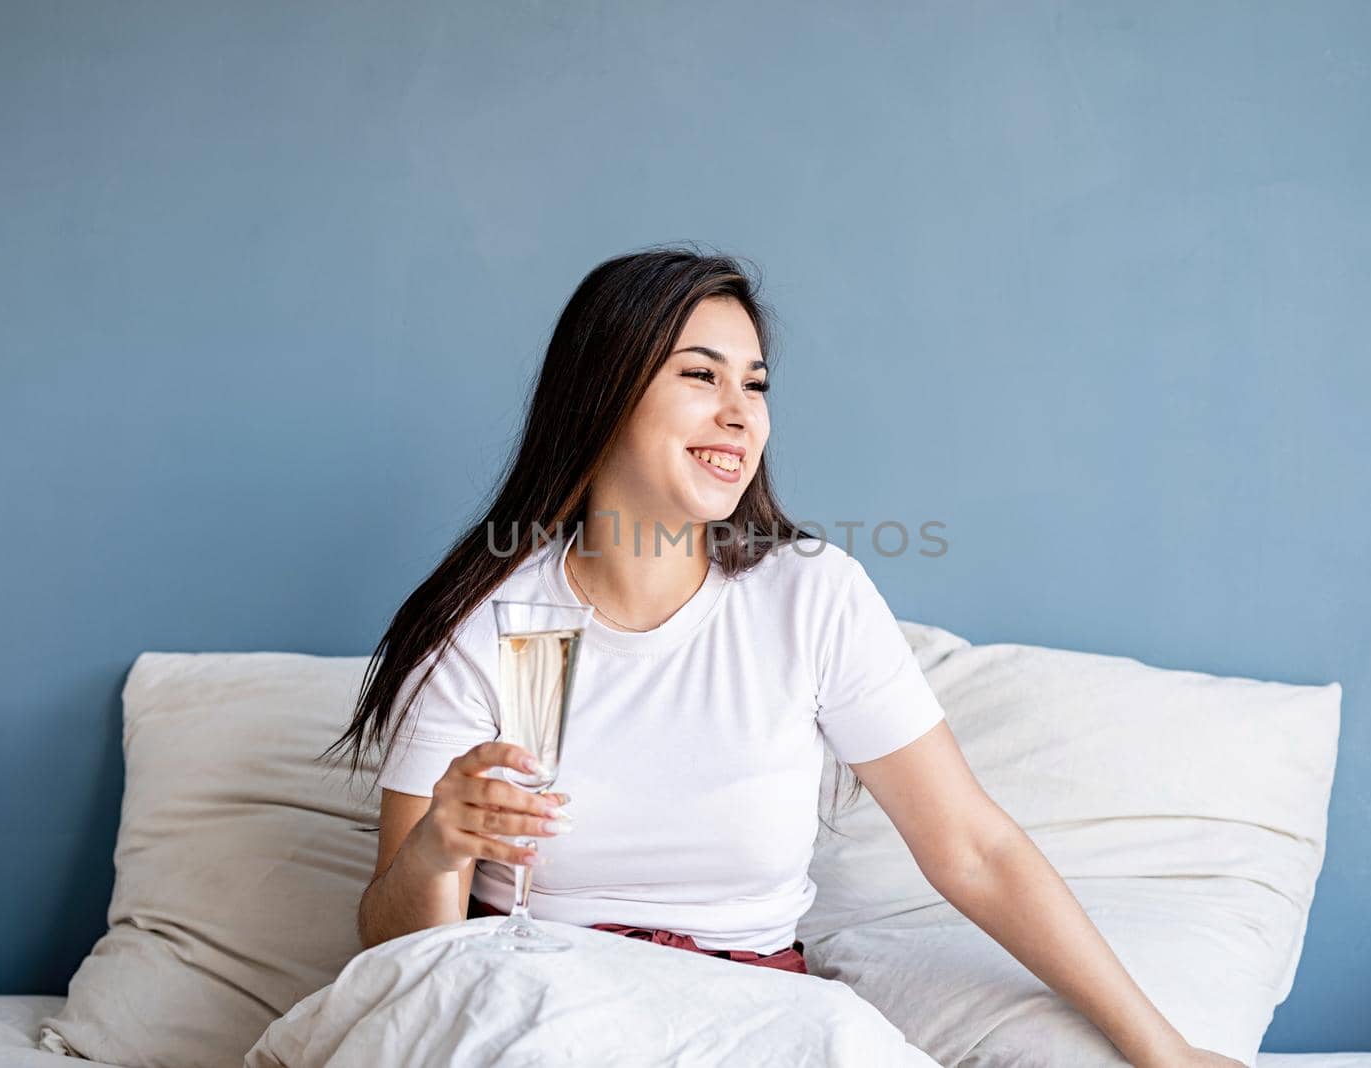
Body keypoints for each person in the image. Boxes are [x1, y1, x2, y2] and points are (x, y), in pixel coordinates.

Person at [324, 244, 1244, 1067]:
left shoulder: (810, 595)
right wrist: (437, 854)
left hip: (751, 1016)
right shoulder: (489, 620)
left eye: (755, 386)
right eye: (701, 376)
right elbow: (393, 954)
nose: (739, 415)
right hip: (544, 1001)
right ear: (601, 395)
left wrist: (1166, 1053)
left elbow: (973, 848)